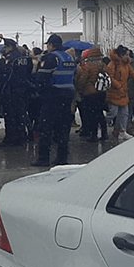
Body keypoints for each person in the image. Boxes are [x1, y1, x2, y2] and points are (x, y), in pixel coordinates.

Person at [31, 34, 78, 167]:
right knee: (63, 129)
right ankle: (62, 157)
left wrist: (40, 90)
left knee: (46, 128)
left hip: (53, 97)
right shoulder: (69, 57)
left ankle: (43, 158)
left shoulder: (51, 58)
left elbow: (41, 78)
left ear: (51, 45)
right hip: (67, 96)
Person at [107, 46, 134, 139]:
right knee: (113, 113)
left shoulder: (126, 65)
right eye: (127, 55)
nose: (128, 57)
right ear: (121, 55)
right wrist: (118, 86)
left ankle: (121, 131)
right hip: (114, 93)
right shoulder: (112, 64)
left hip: (123, 93)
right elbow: (110, 77)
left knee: (124, 113)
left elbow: (133, 74)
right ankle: (100, 124)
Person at [0, 39, 32, 146]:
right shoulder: (24, 58)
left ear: (10, 47)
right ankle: (22, 135)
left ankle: (11, 138)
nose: (4, 49)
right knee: (20, 114)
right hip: (22, 89)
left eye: (6, 47)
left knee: (11, 115)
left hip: (11, 90)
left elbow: (6, 74)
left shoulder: (11, 58)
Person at [74, 46, 108, 142]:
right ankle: (104, 133)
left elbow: (83, 79)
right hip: (101, 92)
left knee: (91, 114)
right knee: (100, 113)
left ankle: (93, 135)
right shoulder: (103, 65)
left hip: (90, 93)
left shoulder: (89, 66)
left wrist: (79, 89)